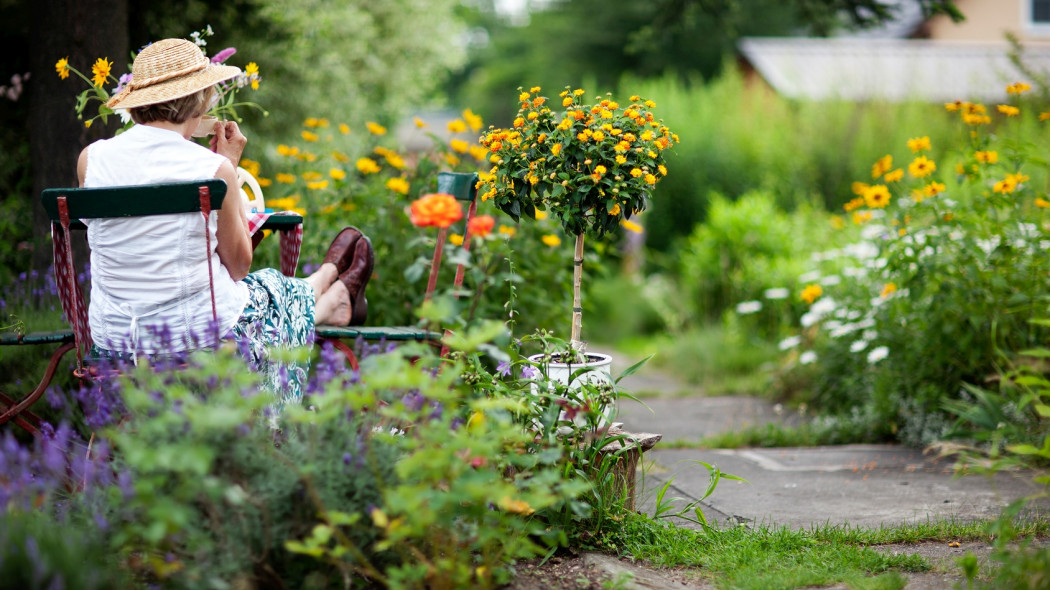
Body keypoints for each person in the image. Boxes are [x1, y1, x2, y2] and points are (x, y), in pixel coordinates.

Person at [76, 38, 373, 410]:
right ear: (200, 101)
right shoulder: (211, 169)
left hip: (116, 340)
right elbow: (238, 266)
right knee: (271, 286)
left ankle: (331, 293)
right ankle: (328, 291)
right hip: (196, 337)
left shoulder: (92, 159)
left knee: (265, 291)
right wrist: (228, 168)